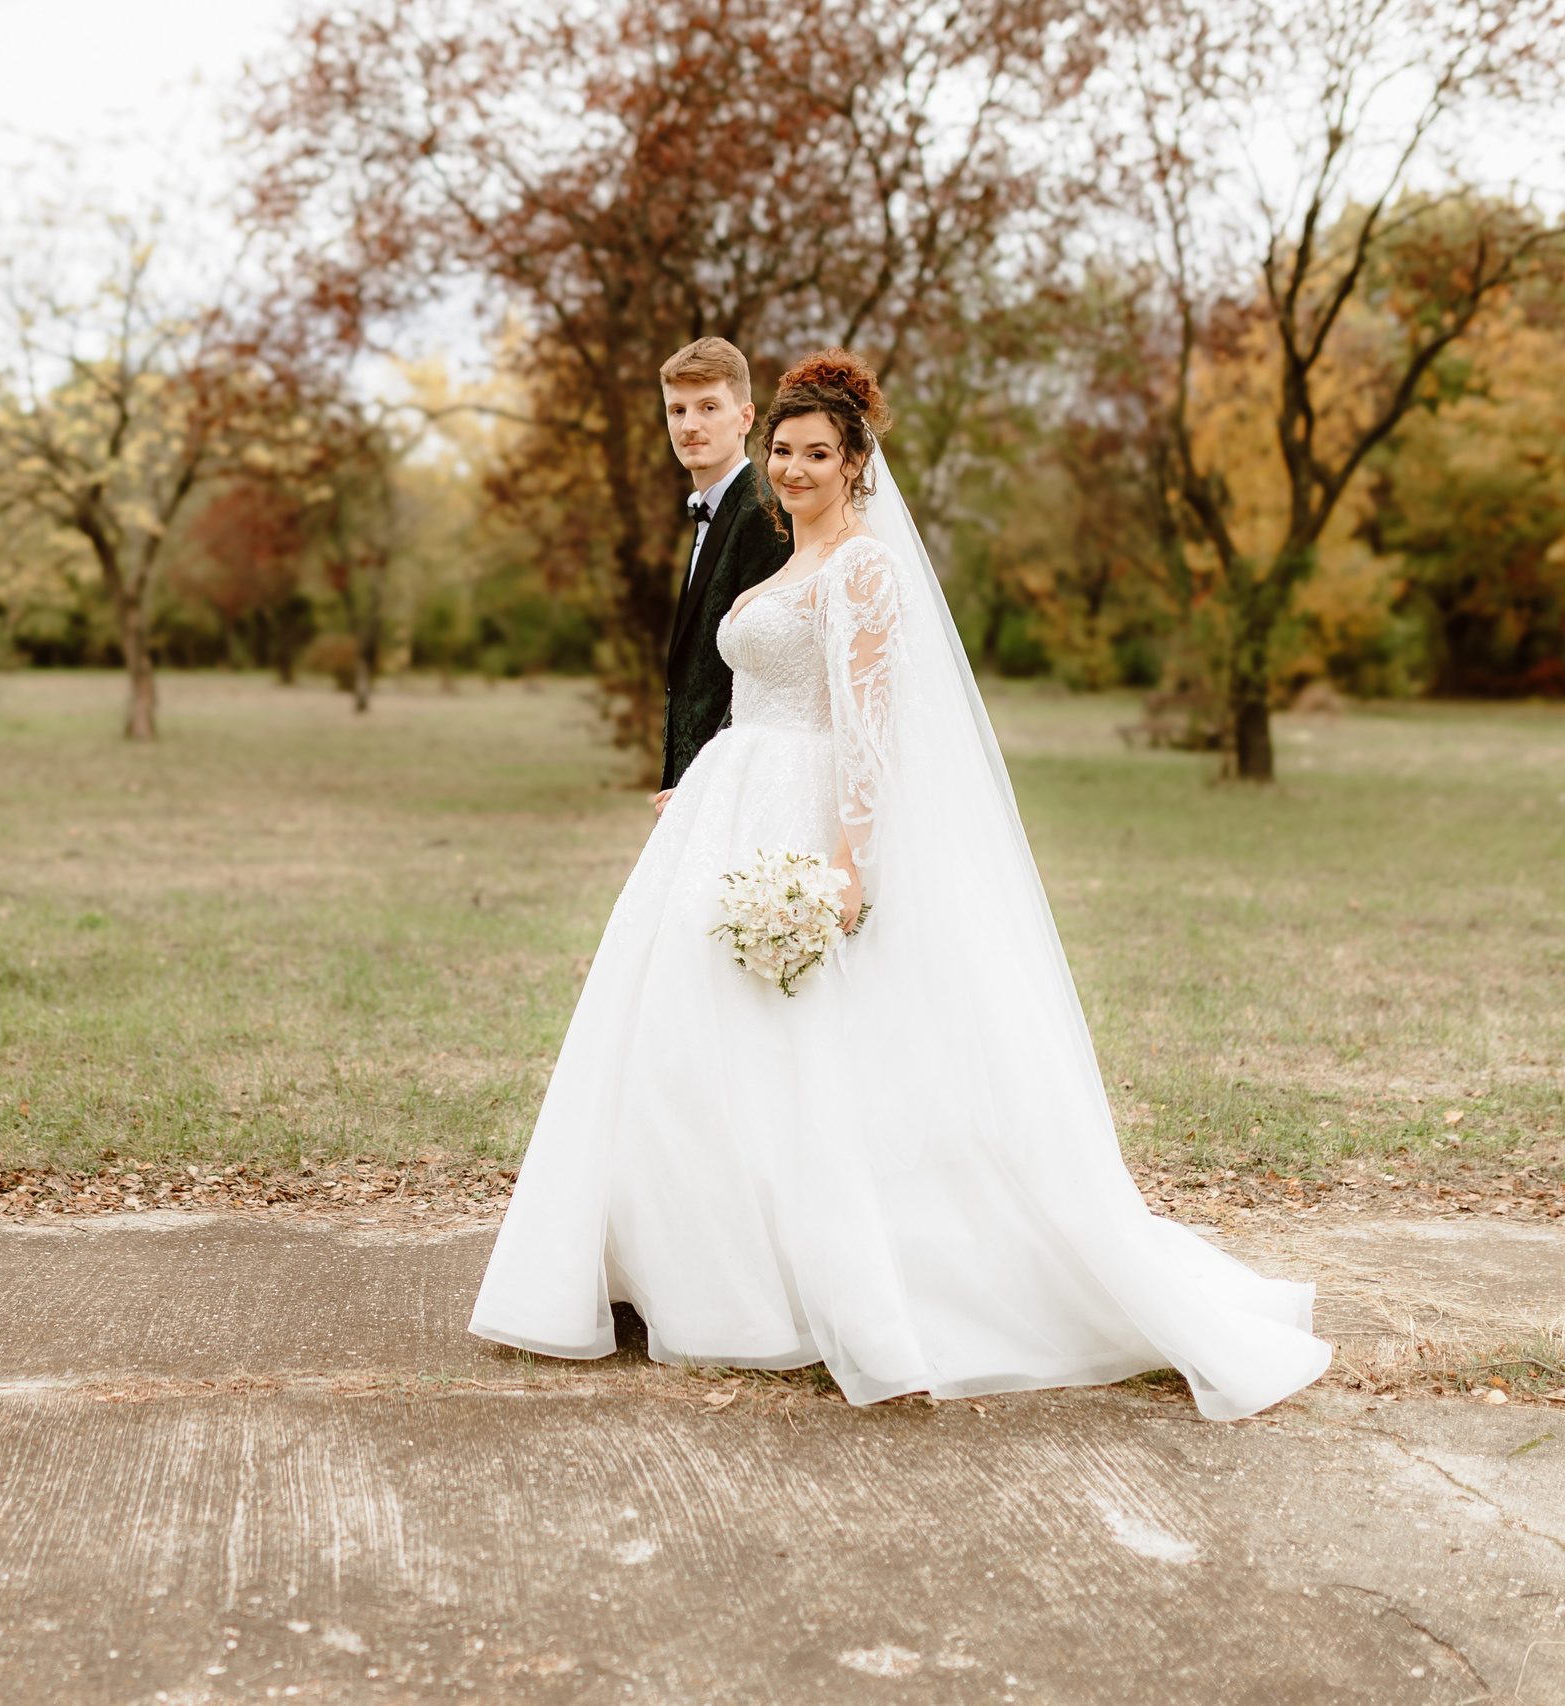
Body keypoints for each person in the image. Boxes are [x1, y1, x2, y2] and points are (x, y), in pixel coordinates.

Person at [468, 349, 1329, 1421]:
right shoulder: (779, 562)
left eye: (813, 452)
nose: (789, 468)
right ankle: (687, 1264)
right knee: (686, 1041)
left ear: (855, 459)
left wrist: (847, 866)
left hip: (803, 821)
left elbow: (868, 734)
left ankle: (820, 1280)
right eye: (779, 450)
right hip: (725, 811)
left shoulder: (865, 570)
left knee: (807, 1050)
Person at [655, 338, 793, 819]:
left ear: (745, 417)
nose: (689, 425)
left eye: (708, 407)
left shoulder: (764, 512)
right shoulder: (714, 510)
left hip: (733, 784)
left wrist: (705, 780)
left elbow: (767, 666)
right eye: (677, 410)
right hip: (692, 778)